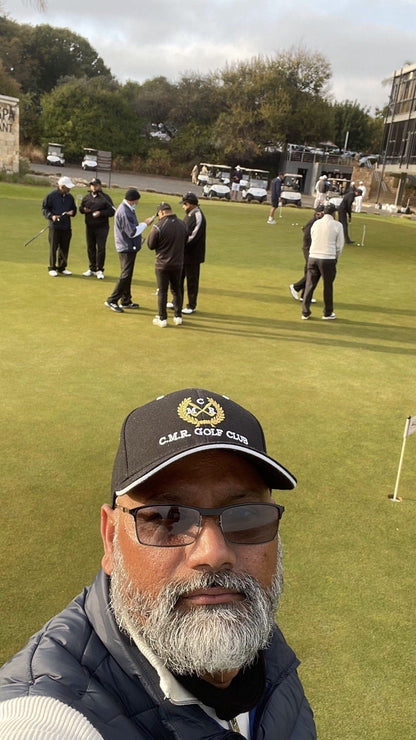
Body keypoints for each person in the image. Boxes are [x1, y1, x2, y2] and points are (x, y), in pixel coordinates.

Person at [0, 387, 316, 740]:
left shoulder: (255, 634)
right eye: (168, 517)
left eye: (244, 515)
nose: (212, 554)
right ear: (110, 537)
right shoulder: (47, 713)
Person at [105, 188, 154, 313]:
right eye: (137, 201)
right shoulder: (124, 211)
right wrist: (145, 224)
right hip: (126, 247)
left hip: (128, 246)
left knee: (127, 274)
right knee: (125, 275)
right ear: (132, 201)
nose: (137, 203)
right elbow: (132, 232)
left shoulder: (127, 209)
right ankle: (112, 300)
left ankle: (125, 300)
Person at [302, 202, 344, 320]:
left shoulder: (316, 224)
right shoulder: (337, 225)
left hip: (313, 257)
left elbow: (313, 237)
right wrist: (335, 257)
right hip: (328, 258)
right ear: (333, 213)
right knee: (328, 286)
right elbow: (339, 245)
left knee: (310, 284)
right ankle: (327, 312)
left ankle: (305, 312)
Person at [147, 202, 187, 328]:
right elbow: (185, 240)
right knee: (176, 290)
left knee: (162, 291)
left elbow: (150, 245)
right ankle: (178, 316)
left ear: (162, 212)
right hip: (178, 263)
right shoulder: (183, 224)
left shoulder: (158, 226)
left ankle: (162, 318)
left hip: (162, 264)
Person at [79, 178, 115, 280]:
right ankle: (92, 268)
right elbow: (81, 208)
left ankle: (100, 270)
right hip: (89, 226)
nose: (93, 187)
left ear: (99, 186)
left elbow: (112, 211)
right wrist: (84, 210)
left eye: (95, 185)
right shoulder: (87, 197)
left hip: (102, 227)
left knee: (101, 248)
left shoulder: (105, 198)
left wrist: (100, 213)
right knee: (90, 247)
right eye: (92, 185)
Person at [42, 176, 77, 276]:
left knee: (64, 247)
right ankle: (52, 267)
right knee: (54, 247)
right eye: (67, 187)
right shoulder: (51, 195)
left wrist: (72, 212)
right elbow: (45, 208)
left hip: (66, 226)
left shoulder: (70, 197)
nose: (69, 189)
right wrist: (51, 216)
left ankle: (62, 267)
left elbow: (74, 209)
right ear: (61, 187)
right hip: (55, 226)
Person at [289, 205, 325, 301]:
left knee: (309, 271)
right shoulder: (313, 222)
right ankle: (296, 287)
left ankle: (305, 296)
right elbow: (306, 234)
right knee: (313, 271)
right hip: (309, 249)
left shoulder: (318, 222)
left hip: (313, 249)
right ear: (318, 213)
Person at [179, 192, 207, 314]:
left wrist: (181, 244)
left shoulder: (198, 215)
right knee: (179, 279)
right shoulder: (189, 215)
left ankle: (191, 306)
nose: (183, 207)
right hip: (184, 254)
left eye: (184, 204)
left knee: (192, 281)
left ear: (190, 204)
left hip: (193, 255)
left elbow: (193, 236)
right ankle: (177, 302)